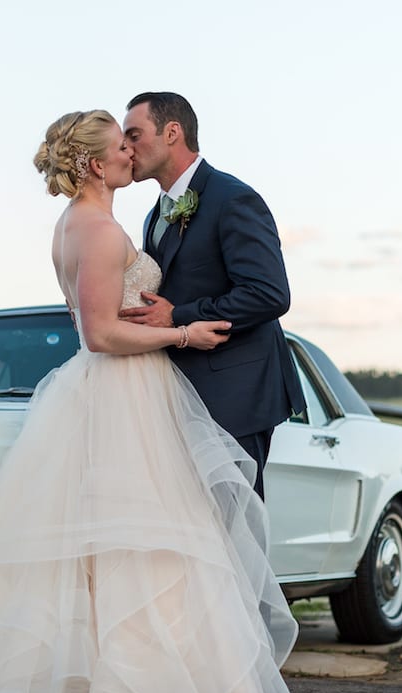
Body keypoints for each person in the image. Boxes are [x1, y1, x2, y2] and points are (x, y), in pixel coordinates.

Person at [0, 110, 297, 693]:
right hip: (123, 390)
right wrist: (182, 332)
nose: (131, 155)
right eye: (122, 147)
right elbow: (100, 333)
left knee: (122, 546)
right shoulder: (95, 227)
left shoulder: (89, 222)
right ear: (96, 163)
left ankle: (124, 686)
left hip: (124, 391)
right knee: (145, 542)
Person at [120, 92, 305, 499]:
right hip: (181, 396)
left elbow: (269, 293)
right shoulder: (155, 214)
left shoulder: (232, 198)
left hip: (237, 393)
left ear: (172, 132)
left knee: (235, 529)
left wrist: (179, 316)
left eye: (134, 135)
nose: (125, 147)